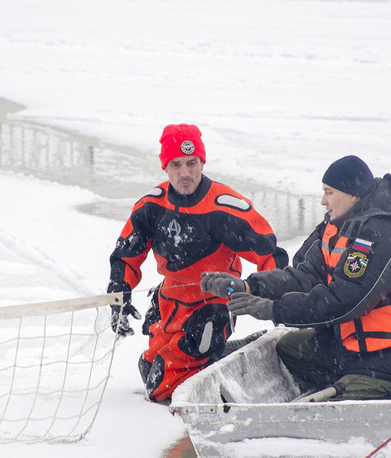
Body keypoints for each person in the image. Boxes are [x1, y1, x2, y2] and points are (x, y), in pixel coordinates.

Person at [200, 155, 391, 400]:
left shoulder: (385, 231)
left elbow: (346, 301)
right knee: (288, 348)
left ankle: (376, 391)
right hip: (358, 347)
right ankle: (342, 382)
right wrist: (250, 285)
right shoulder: (339, 223)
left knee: (340, 404)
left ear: (353, 194)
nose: (323, 201)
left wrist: (274, 309)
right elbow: (305, 275)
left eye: (329, 192)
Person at [107, 124, 288, 403]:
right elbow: (125, 255)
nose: (185, 173)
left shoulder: (224, 207)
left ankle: (218, 353)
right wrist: (118, 292)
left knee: (162, 389)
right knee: (149, 370)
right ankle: (223, 355)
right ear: (165, 168)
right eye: (176, 164)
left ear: (202, 162)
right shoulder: (151, 206)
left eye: (192, 163)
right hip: (169, 304)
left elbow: (270, 255)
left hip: (212, 307)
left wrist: (274, 303)